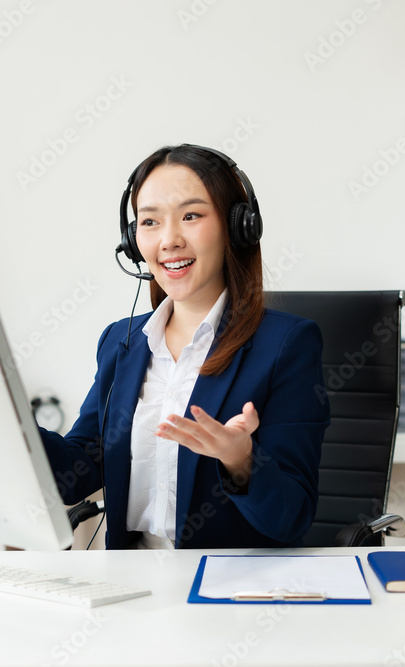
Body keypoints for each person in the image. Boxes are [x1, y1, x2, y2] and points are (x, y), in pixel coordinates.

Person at [39, 144, 329, 549]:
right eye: (150, 222)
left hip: (224, 591)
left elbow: (291, 519)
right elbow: (79, 472)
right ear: (132, 238)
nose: (169, 240)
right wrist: (10, 423)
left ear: (237, 226)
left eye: (191, 216)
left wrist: (241, 461)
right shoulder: (121, 342)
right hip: (131, 587)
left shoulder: (286, 345)